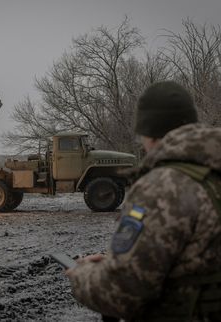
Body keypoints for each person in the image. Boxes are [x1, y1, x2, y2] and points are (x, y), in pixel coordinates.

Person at [66, 81, 221, 321]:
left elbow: (121, 292)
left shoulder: (163, 187)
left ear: (147, 132)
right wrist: (130, 257)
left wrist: (83, 274)